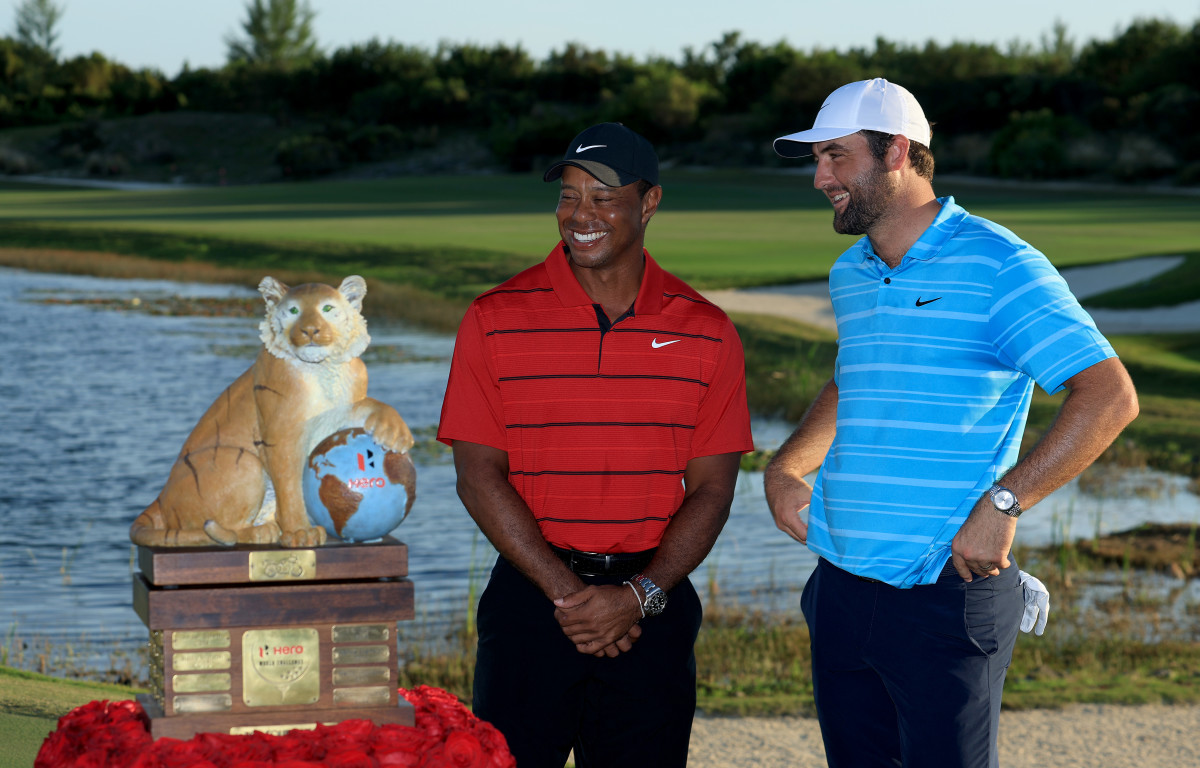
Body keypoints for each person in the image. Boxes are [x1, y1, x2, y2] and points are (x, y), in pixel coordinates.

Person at [763, 78, 1139, 768]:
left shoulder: (1002, 264)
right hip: (840, 588)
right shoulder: (852, 271)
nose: (819, 178)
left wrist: (1005, 502)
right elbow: (857, 379)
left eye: (836, 157)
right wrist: (787, 465)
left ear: (897, 151)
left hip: (943, 593)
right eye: (815, 160)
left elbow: (1108, 395)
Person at [437, 122, 754, 768]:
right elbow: (477, 477)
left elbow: (715, 489)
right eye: (569, 196)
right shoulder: (492, 318)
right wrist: (570, 597)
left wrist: (634, 598)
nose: (580, 215)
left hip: (652, 605)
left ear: (649, 203)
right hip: (532, 602)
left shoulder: (707, 331)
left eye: (603, 196)